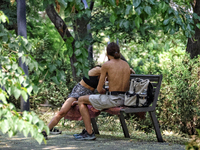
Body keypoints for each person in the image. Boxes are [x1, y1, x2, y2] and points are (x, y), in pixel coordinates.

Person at [74, 42, 130, 140]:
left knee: (81, 100)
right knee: (90, 99)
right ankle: (88, 132)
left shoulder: (106, 65)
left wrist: (105, 91)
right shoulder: (126, 64)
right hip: (124, 99)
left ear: (107, 54)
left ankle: (89, 133)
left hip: (112, 100)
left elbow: (99, 90)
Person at [42, 65, 101, 139]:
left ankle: (89, 133)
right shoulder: (98, 69)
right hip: (78, 92)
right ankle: (45, 131)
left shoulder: (103, 77)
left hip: (87, 96)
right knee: (62, 112)